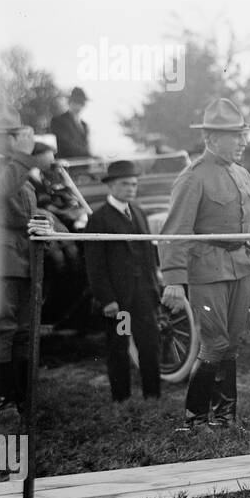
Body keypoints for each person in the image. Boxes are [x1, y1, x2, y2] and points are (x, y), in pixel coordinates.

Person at [159, 98, 250, 433]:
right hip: (207, 270)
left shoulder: (243, 174)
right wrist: (174, 280)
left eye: (243, 134)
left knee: (231, 344)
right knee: (215, 343)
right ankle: (195, 420)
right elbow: (175, 231)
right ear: (211, 138)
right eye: (236, 135)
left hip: (241, 268)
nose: (244, 142)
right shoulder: (192, 177)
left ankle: (225, 419)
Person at [0, 105, 55, 417]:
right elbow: (0, 192)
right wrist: (24, 156)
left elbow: (26, 209)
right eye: (13, 135)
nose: (19, 140)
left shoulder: (15, 167)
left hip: (23, 256)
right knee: (4, 328)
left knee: (25, 330)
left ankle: (24, 399)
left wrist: (44, 223)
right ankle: (5, 402)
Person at [84, 160, 162, 403]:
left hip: (143, 296)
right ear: (111, 186)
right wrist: (107, 299)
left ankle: (153, 395)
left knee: (149, 344)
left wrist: (154, 286)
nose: (131, 188)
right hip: (119, 301)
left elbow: (148, 252)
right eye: (125, 184)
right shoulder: (99, 219)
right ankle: (122, 399)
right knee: (119, 346)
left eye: (134, 184)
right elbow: (94, 264)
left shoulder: (138, 211)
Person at [49, 86, 92, 159]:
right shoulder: (58, 121)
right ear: (70, 102)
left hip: (83, 166)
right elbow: (66, 145)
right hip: (67, 166)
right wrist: (89, 155)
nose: (79, 105)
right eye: (76, 101)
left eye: (82, 102)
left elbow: (86, 145)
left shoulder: (84, 125)